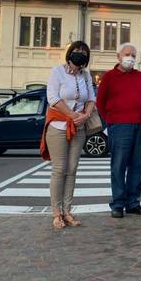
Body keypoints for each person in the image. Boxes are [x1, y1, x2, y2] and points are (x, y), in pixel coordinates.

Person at [41, 41, 96, 230]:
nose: (79, 54)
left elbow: (91, 99)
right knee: (59, 169)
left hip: (79, 127)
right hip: (58, 125)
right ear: (70, 53)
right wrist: (72, 115)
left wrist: (86, 115)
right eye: (76, 51)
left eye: (83, 52)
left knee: (72, 169)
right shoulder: (57, 71)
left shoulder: (86, 75)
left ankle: (67, 210)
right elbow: (53, 98)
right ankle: (56, 214)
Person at [96, 42, 141, 218]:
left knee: (138, 166)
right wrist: (111, 120)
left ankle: (133, 202)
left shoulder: (140, 76)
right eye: (127, 54)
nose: (130, 58)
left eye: (133, 55)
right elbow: (100, 103)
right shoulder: (109, 77)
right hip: (119, 126)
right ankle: (118, 203)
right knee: (119, 165)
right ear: (118, 56)